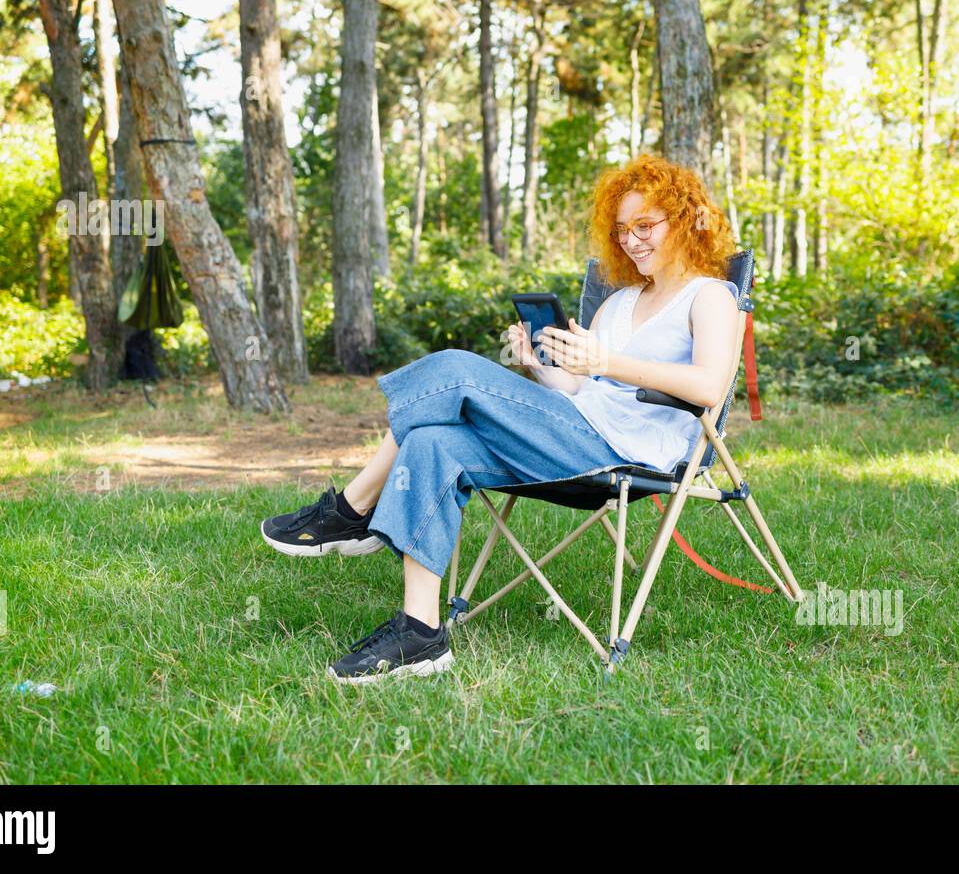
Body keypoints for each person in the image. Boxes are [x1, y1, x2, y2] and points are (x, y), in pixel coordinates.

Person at [260, 153, 741, 684]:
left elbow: (710, 387)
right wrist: (538, 368)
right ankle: (420, 635)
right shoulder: (619, 303)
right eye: (622, 229)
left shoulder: (710, 296)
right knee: (433, 441)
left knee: (456, 370)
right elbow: (581, 388)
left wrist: (605, 360)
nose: (631, 241)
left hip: (622, 455)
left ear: (682, 219)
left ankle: (351, 509)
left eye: (645, 225)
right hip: (567, 432)